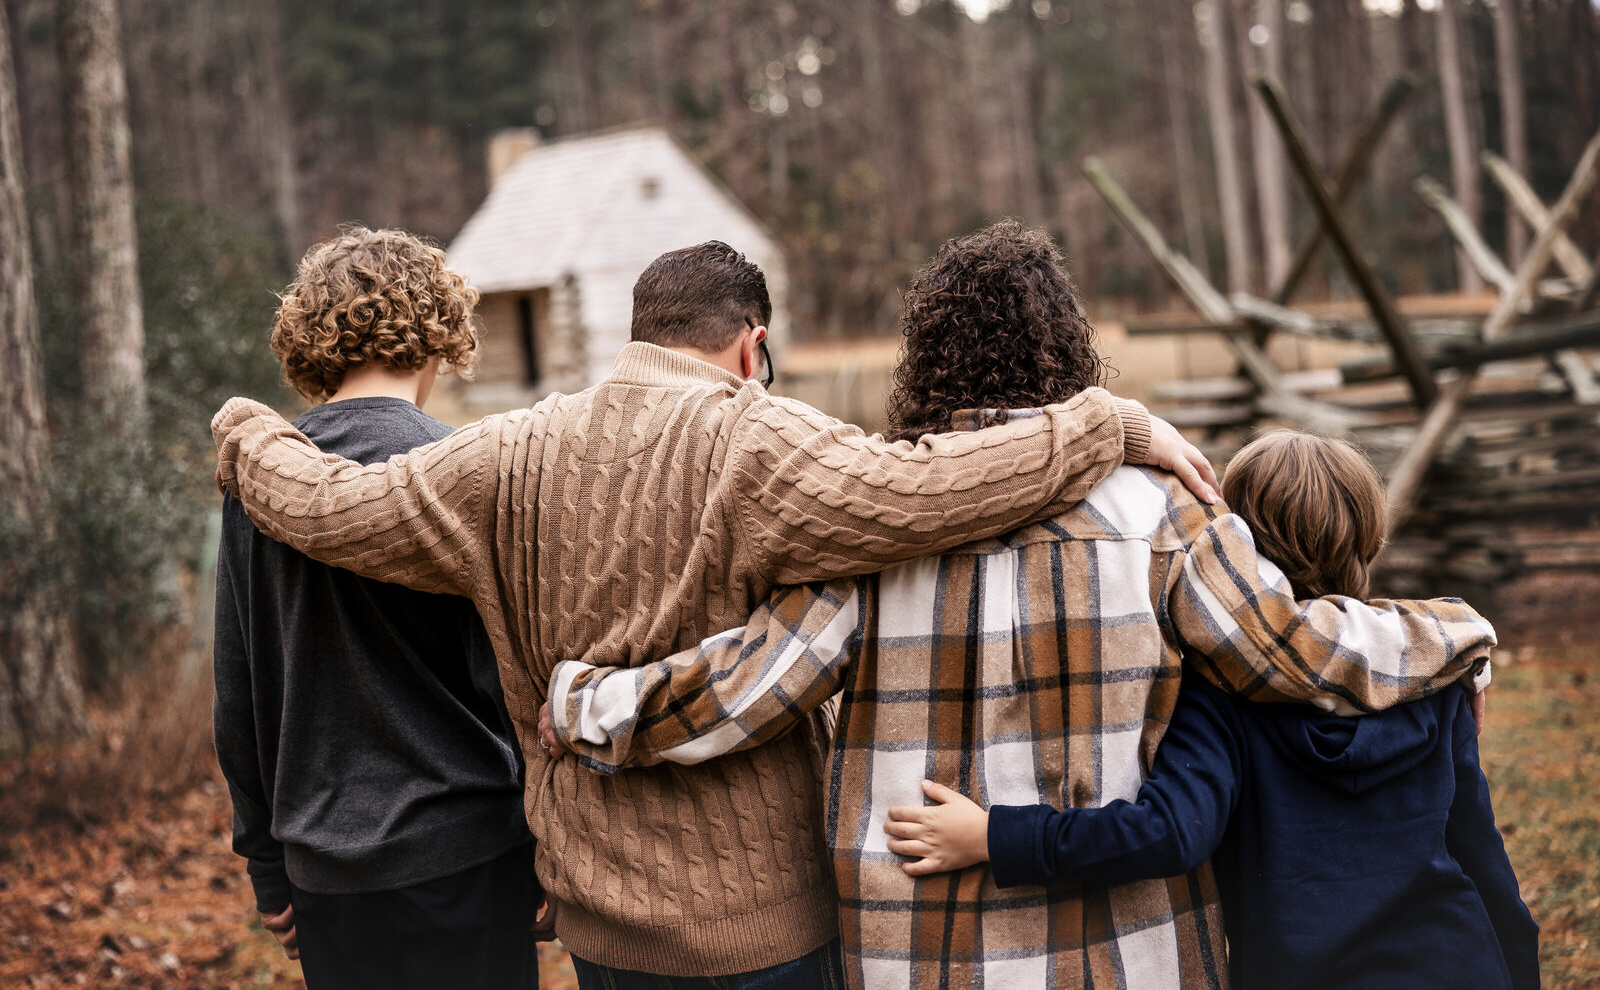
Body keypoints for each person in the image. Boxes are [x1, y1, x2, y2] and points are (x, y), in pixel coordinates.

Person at [211, 237, 1221, 988]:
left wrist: (246, 427)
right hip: (760, 928)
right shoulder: (764, 440)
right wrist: (1108, 420)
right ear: (752, 344)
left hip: (600, 922)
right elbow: (927, 486)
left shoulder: (507, 453)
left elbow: (326, 506)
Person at [537, 223, 1498, 990]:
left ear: (925, 360)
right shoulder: (1164, 514)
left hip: (918, 953)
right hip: (1135, 953)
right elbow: (1296, 651)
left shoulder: (876, 530)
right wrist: (1458, 632)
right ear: (1069, 347)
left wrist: (586, 704)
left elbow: (742, 691)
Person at [882, 430, 1539, 990]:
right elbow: (1485, 860)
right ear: (1369, 534)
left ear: (1235, 551)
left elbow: (1167, 831)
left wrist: (994, 836)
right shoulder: (1427, 666)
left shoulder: (1222, 690)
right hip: (1459, 963)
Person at [212, 227, 542, 989]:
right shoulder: (461, 469)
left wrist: (268, 863)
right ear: (439, 333)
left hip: (325, 866)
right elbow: (513, 682)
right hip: (469, 850)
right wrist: (549, 846)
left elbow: (239, 696)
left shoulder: (254, 481)